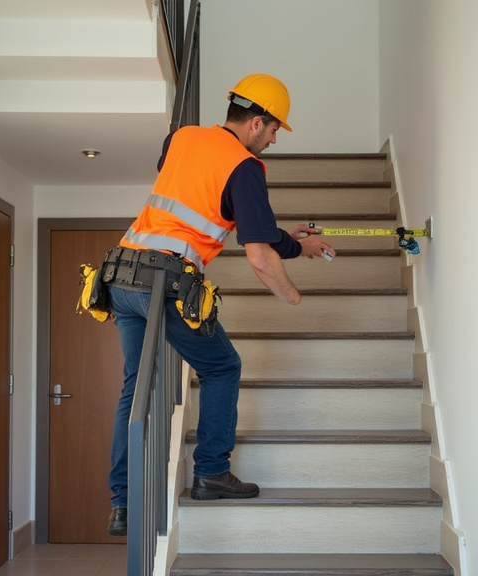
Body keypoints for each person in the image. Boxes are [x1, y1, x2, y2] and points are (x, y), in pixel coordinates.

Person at [102, 73, 335, 536]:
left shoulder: (182, 137)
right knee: (222, 367)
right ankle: (211, 470)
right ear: (255, 122)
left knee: (136, 385)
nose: (272, 139)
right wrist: (294, 295)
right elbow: (259, 258)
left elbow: (247, 225)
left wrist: (292, 242)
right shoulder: (245, 167)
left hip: (122, 274)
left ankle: (123, 503)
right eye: (273, 130)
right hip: (165, 281)